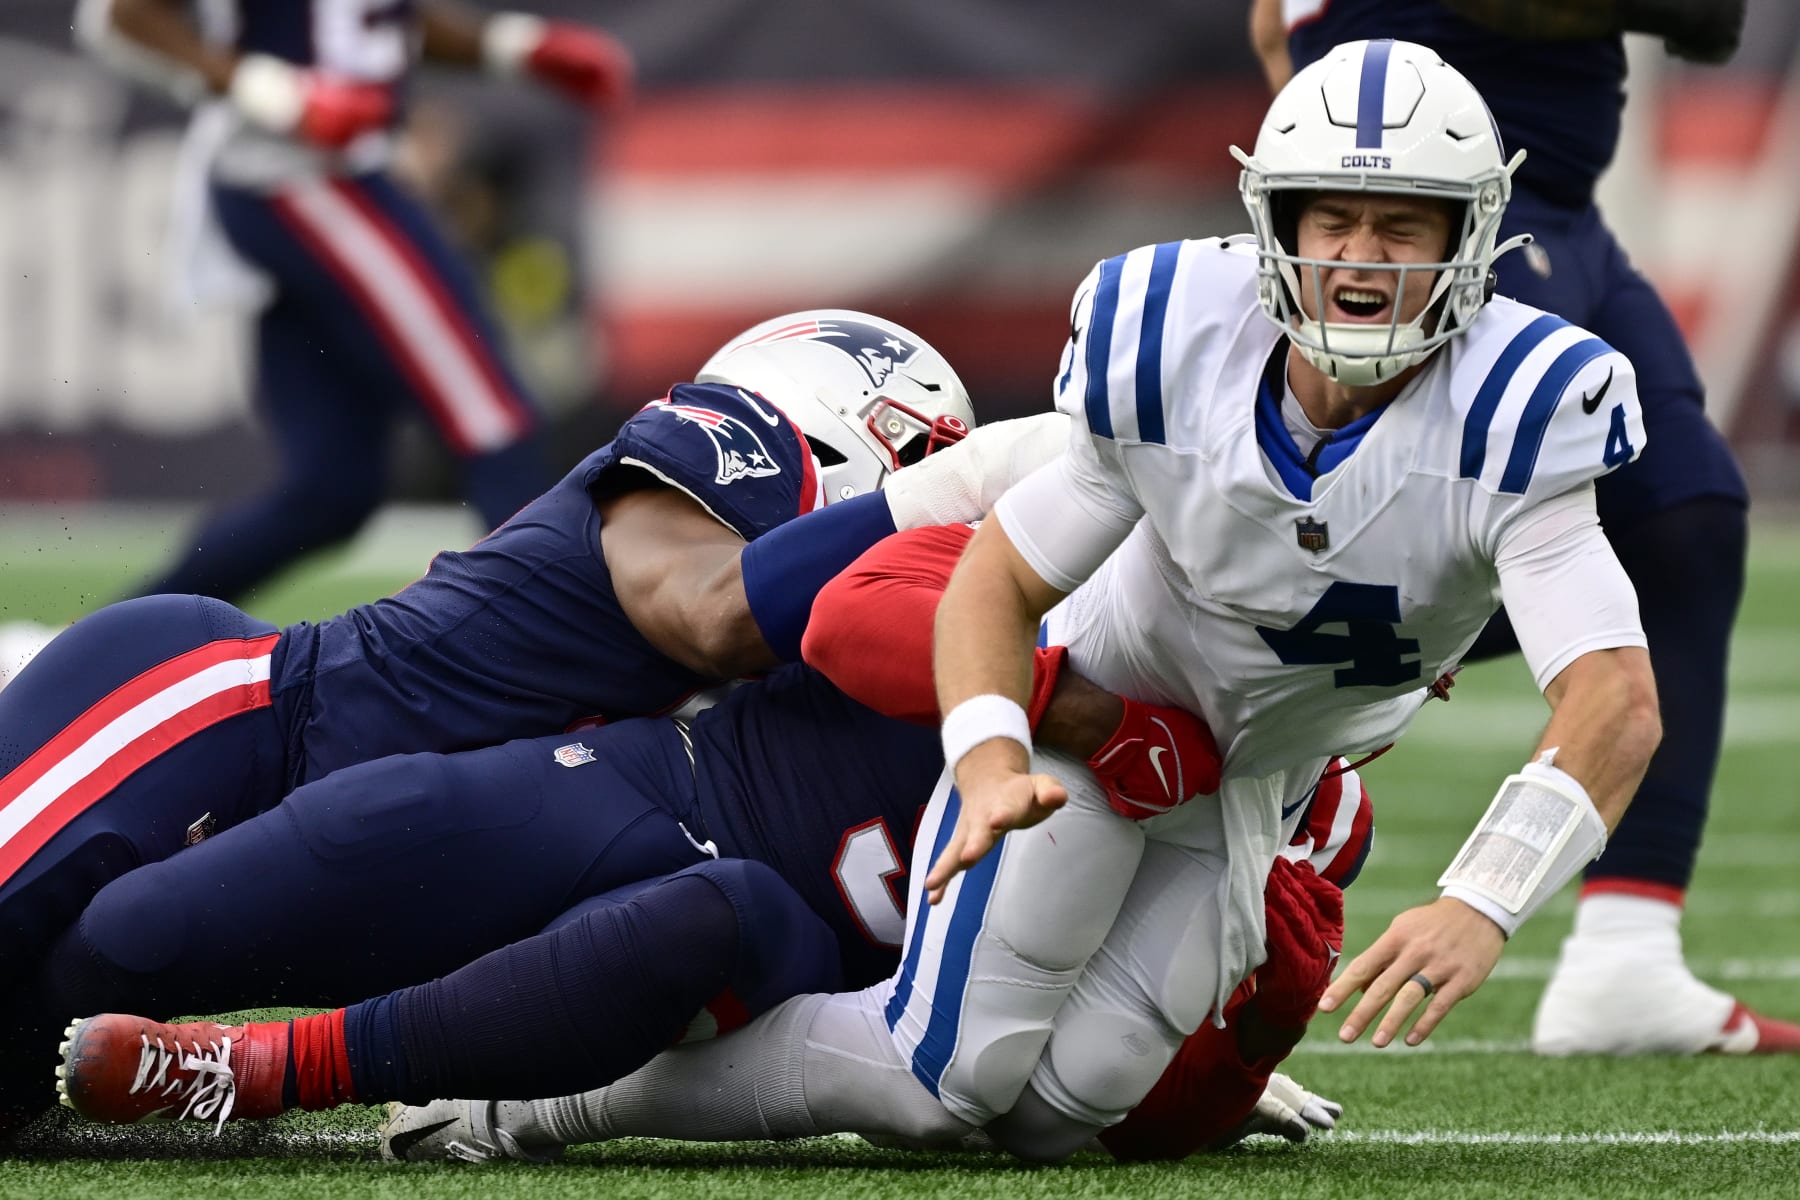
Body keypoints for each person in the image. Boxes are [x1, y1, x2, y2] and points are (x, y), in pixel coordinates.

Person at [407, 40, 1662, 1163]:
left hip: (1248, 782)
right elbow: (1001, 579)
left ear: (1470, 238)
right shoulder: (1172, 340)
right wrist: (995, 745)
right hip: (1111, 712)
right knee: (940, 1083)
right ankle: (548, 1098)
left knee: (1067, 1110)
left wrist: (1480, 901)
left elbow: (1612, 698)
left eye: (1405, 228)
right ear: (1277, 221)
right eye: (1333, 221)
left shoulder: (1524, 408)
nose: (1362, 262)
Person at [0, 309, 1014, 1127]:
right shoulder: (724, 459)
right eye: (924, 465)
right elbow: (712, 618)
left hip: (355, 821)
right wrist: (936, 496)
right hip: (228, 719)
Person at [49, 551, 1366, 1156]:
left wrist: (1224, 1063)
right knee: (133, 937)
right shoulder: (1054, 548)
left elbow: (1090, 1058)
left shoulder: (1309, 814)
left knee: (717, 912)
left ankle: (266, 1070)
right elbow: (833, 609)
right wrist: (1071, 705)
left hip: (788, 964)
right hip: (644, 789)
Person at [1255, 0, 1795, 1057]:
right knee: (1398, 536)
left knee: (1685, 517)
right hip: (1422, 217)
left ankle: (1626, 951)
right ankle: (1235, 728)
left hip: (1550, 205)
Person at [72, 0, 630, 603]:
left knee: (331, 487)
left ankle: (112, 648)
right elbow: (120, 18)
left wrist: (512, 46)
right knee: (496, 422)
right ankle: (545, 656)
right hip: (300, 180)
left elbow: (373, 25)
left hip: (326, 177)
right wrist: (274, 92)